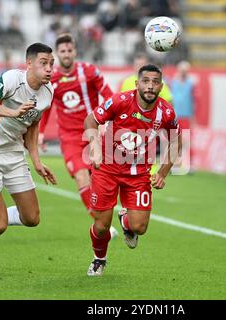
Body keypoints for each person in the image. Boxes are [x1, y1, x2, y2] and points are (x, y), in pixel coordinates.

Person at [0, 43, 57, 270]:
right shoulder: (13, 79)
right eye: (43, 63)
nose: (49, 68)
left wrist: (36, 161)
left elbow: (33, 125)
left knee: (32, 218)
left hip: (14, 156)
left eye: (51, 64)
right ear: (29, 64)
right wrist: (12, 112)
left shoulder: (48, 92)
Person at [84, 64, 182, 276]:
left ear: (161, 86)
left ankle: (126, 221)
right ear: (137, 84)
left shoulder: (166, 112)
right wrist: (94, 149)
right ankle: (99, 259)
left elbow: (176, 143)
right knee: (101, 225)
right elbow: (91, 119)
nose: (150, 86)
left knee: (140, 227)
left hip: (138, 174)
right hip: (107, 168)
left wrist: (162, 173)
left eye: (155, 82)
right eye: (145, 81)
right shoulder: (120, 101)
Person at [37, 33, 118, 237]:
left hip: (92, 134)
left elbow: (109, 96)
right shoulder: (51, 78)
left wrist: (111, 120)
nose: (66, 54)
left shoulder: (89, 71)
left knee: (100, 179)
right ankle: (101, 223)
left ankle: (111, 217)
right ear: (57, 54)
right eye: (62, 51)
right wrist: (40, 133)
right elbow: (46, 108)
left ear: (75, 51)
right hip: (69, 138)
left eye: (69, 50)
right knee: (82, 177)